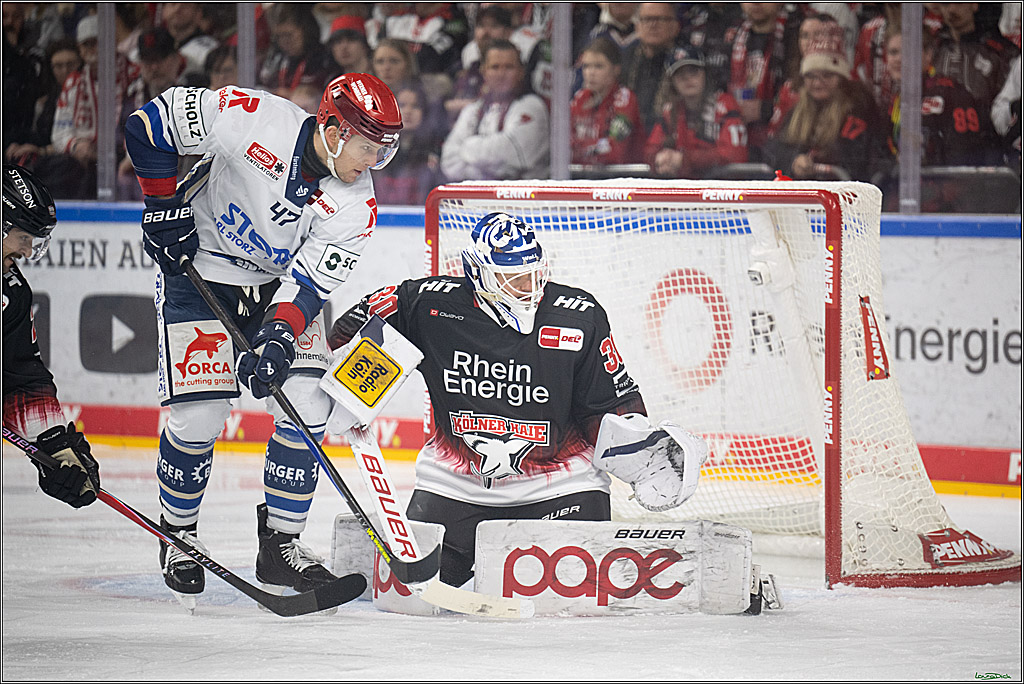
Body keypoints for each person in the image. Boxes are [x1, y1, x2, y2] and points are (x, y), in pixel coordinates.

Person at [123, 73, 402, 604]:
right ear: (335, 129)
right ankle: (179, 536)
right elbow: (147, 125)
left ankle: (281, 545)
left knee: (309, 401)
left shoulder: (355, 205)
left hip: (274, 287)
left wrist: (277, 338)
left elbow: (311, 283)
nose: (374, 163)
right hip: (198, 270)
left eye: (383, 151)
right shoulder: (251, 116)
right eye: (369, 147)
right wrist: (160, 203)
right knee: (199, 415)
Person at [326, 212, 707, 588]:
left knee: (571, 595)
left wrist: (639, 449)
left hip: (561, 489)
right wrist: (341, 378)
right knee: (412, 596)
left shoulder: (578, 317)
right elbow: (347, 331)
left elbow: (608, 406)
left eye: (533, 273)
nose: (527, 286)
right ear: (477, 273)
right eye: (511, 277)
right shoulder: (426, 305)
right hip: (453, 487)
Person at [3, 163, 101, 510]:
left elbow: (21, 379)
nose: (28, 251)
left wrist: (53, 442)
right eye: (24, 237)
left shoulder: (12, 294)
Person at [767, 33, 883, 182]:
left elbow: (856, 160)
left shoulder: (858, 109)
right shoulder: (797, 109)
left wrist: (817, 165)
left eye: (827, 76)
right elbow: (774, 148)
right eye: (811, 76)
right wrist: (794, 161)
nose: (817, 83)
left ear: (841, 78)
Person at [440, 39, 549, 181]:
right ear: (484, 71)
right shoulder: (473, 110)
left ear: (521, 72)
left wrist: (467, 147)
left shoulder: (532, 106)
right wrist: (488, 171)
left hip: (523, 200)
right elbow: (449, 161)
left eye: (509, 67)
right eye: (495, 67)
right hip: (478, 199)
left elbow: (513, 154)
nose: (501, 74)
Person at [645, 46, 748, 179]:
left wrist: (685, 160)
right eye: (680, 74)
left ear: (705, 74)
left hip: (720, 190)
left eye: (693, 72)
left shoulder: (726, 105)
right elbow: (650, 150)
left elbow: (735, 155)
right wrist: (659, 158)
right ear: (671, 82)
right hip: (682, 188)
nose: (687, 79)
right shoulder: (670, 111)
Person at [570, 37, 644, 166]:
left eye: (598, 66)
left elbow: (614, 150)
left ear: (616, 69)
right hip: (584, 176)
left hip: (621, 177)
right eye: (586, 66)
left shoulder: (625, 100)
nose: (590, 73)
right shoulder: (579, 98)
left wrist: (581, 149)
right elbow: (565, 146)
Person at [620, 3, 683, 132]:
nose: (653, 25)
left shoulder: (684, 63)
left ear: (676, 26)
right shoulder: (624, 59)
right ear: (637, 26)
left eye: (660, 19)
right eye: (647, 19)